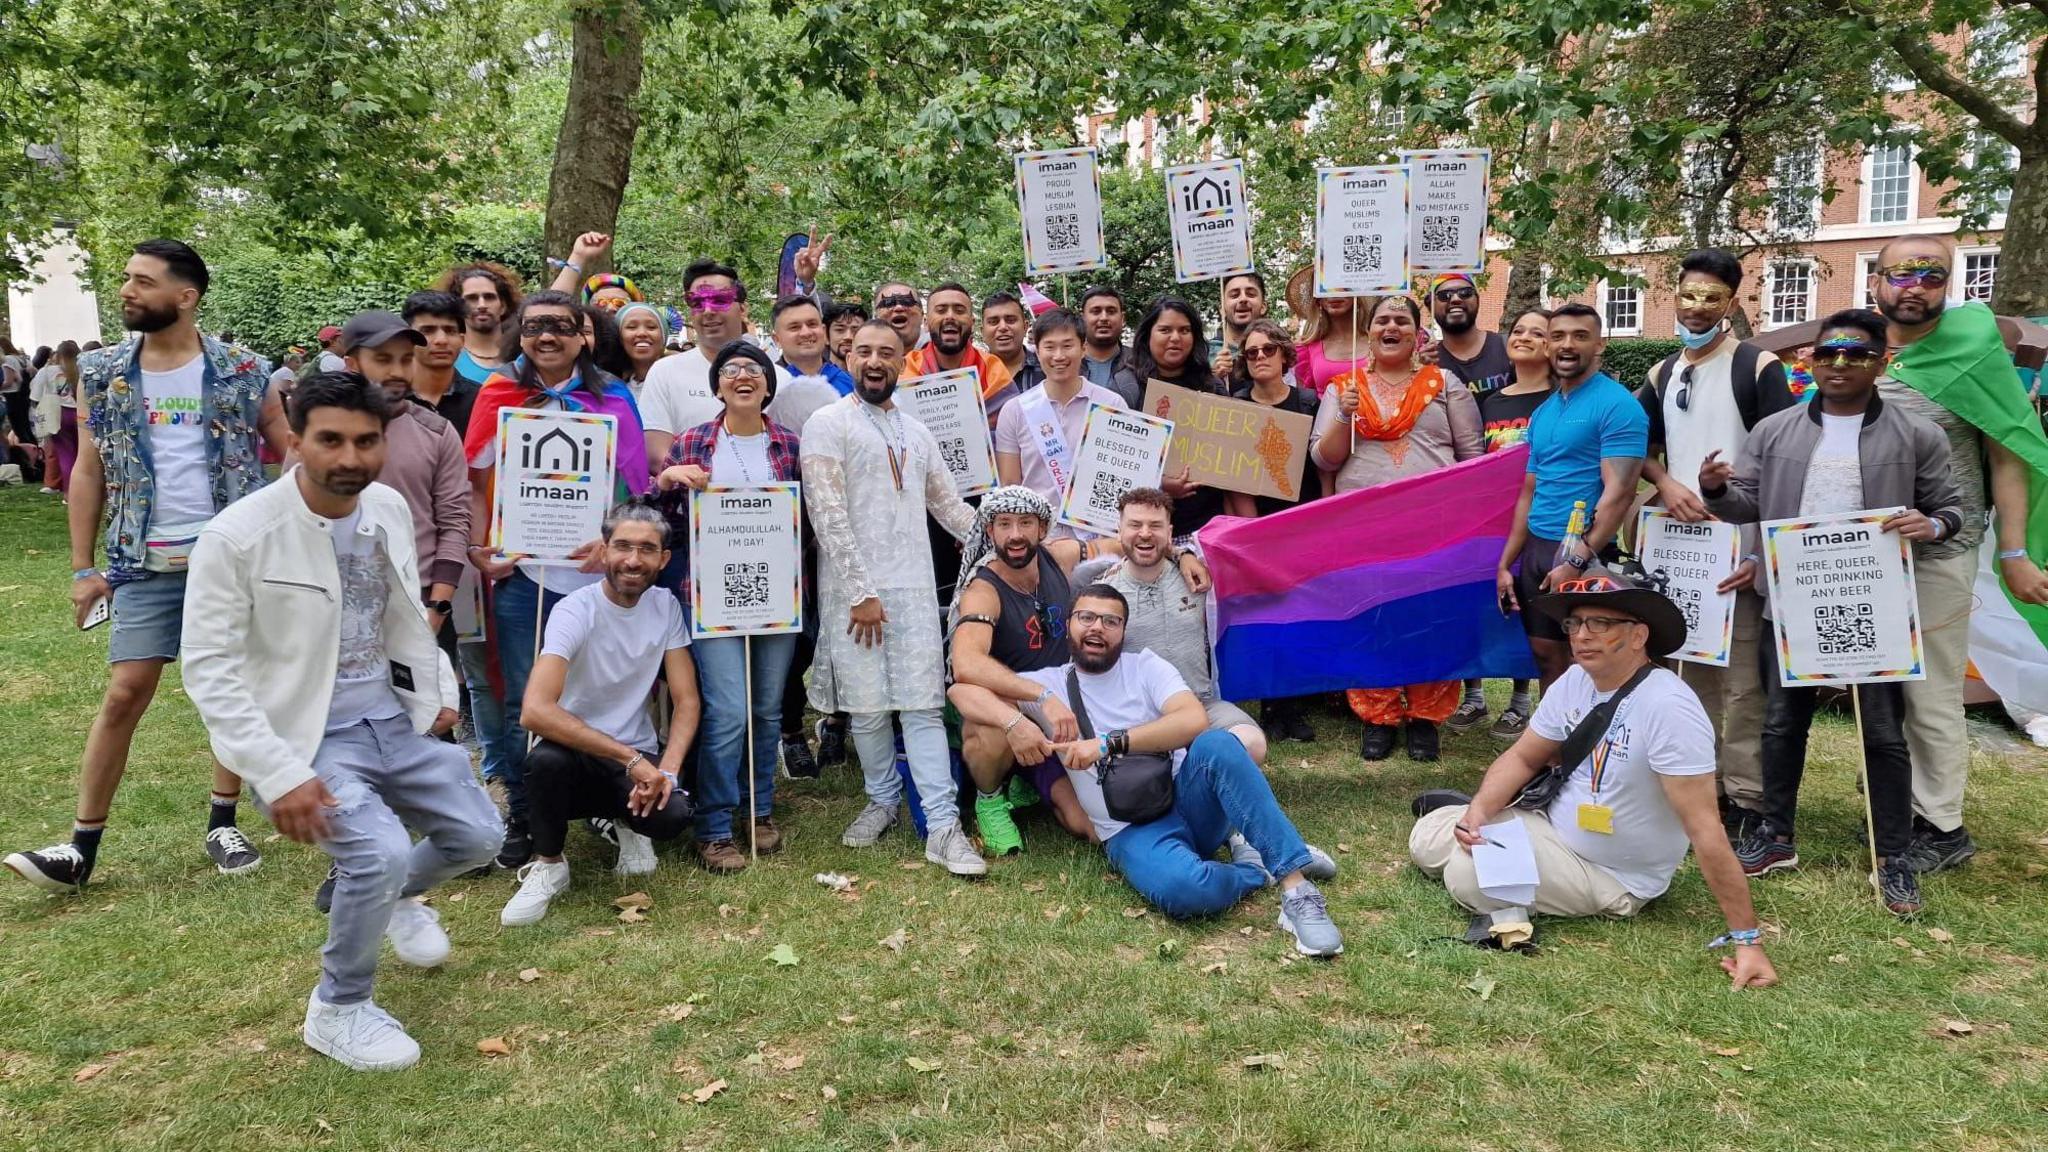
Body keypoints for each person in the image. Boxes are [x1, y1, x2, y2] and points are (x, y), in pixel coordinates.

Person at [182, 371, 501, 1070]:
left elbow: (403, 612)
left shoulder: (384, 505)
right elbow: (209, 669)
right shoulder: (237, 537)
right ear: (294, 442)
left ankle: (384, 899)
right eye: (330, 440)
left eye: (366, 441)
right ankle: (339, 1008)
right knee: (379, 852)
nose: (349, 457)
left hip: (389, 717)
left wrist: (436, 686)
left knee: (480, 836)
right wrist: (278, 773)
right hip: (303, 737)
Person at [5, 240, 289, 892]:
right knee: (124, 694)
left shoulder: (244, 369)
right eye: (127, 278)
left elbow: (289, 451)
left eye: (142, 281)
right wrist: (83, 567)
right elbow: (91, 472)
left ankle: (223, 820)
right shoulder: (103, 372)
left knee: (230, 692)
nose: (127, 290)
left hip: (230, 562)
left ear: (185, 296)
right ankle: (80, 849)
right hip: (142, 562)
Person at [1700, 308, 1962, 916]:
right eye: (1828, 354)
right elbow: (1747, 507)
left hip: (1875, 603)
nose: (1840, 365)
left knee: (1881, 732)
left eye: (1856, 355)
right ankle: (1775, 837)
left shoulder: (1917, 433)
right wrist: (1716, 488)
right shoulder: (1775, 431)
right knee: (1781, 724)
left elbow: (1951, 510)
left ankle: (1893, 854)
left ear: (1882, 362)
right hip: (1791, 599)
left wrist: (1931, 523)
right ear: (1810, 362)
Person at [1406, 574, 1778, 988]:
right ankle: (1472, 819)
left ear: (1638, 636)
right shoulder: (1574, 680)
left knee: (1465, 874)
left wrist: (1748, 940)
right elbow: (1524, 755)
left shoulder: (1669, 708)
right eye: (1575, 624)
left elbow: (1706, 829)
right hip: (1553, 830)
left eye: (1599, 624)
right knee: (1427, 839)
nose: (1582, 636)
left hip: (1614, 875)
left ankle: (1493, 855)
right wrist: (1476, 813)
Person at [948, 585, 1344, 955]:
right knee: (1185, 891)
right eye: (1086, 617)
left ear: (1123, 630)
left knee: (1219, 744)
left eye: (1110, 621)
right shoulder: (1046, 685)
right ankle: (1259, 864)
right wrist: (1023, 714)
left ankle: (1296, 890)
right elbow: (960, 690)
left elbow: (1191, 720)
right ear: (1068, 624)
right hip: (1128, 829)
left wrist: (1105, 744)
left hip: (1185, 798)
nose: (1097, 629)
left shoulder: (1146, 667)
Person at [1871, 235, 2048, 874]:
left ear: (1949, 283)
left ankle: (1942, 825)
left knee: (1933, 691)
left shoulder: (1974, 353)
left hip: (1944, 551)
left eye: (1931, 274)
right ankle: (1900, 806)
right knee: (1881, 688)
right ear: (1876, 283)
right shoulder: (1860, 352)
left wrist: (2015, 552)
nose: (1913, 286)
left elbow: (2009, 454)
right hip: (1864, 557)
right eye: (1900, 274)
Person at [460, 290, 650, 868]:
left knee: (595, 698)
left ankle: (605, 804)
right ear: (520, 333)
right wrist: (478, 545)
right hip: (522, 576)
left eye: (561, 327)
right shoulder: (499, 394)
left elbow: (635, 484)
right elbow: (473, 479)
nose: (547, 337)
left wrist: (611, 542)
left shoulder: (613, 396)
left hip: (594, 579)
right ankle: (525, 813)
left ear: (583, 336)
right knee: (525, 696)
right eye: (536, 325)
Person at [800, 319, 988, 876]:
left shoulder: (917, 430)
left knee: (923, 704)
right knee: (868, 706)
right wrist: (860, 592)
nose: (875, 361)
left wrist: (999, 537)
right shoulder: (826, 423)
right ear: (848, 357)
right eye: (864, 352)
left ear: (904, 360)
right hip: (854, 592)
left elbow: (948, 505)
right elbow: (826, 513)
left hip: (911, 587)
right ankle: (882, 800)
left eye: (887, 352)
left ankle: (943, 826)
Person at [947, 485, 1211, 853]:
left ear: (1043, 529)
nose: (1016, 534)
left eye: (1026, 523)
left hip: (1070, 709)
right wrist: (1034, 703)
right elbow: (965, 665)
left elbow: (1130, 541)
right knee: (988, 727)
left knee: (1089, 827)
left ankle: (1025, 778)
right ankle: (990, 798)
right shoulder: (983, 591)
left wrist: (1181, 555)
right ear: (989, 532)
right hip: (1019, 704)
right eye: (1004, 524)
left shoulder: (1060, 556)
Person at [1633, 249, 1797, 837]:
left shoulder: (1756, 368)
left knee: (1743, 685)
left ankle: (1749, 801)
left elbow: (1785, 458)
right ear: (1673, 296)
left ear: (1731, 303)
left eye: (1711, 298)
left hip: (1738, 545)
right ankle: (1701, 789)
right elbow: (1638, 449)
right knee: (1687, 671)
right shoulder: (1661, 373)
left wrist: (1761, 553)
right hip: (1679, 549)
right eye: (1687, 295)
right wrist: (1667, 482)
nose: (1696, 308)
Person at [501, 503, 701, 924]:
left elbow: (686, 701)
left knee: (674, 817)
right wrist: (628, 759)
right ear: (604, 550)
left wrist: (665, 772)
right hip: (575, 752)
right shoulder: (575, 609)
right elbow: (534, 710)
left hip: (636, 756)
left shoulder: (664, 607)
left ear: (664, 559)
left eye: (647, 549)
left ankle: (625, 825)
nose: (633, 560)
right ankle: (550, 864)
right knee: (543, 763)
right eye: (622, 546)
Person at [1311, 294, 1485, 762]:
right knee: (1373, 618)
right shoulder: (1342, 388)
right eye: (1382, 320)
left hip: (1435, 525)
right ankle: (1378, 715)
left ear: (1416, 333)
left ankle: (1427, 716)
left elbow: (1472, 458)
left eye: (1401, 321)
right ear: (1369, 331)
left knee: (1431, 616)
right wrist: (1346, 413)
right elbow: (1323, 459)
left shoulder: (1445, 384)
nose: (1391, 327)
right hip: (1363, 526)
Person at [654, 341, 804, 872]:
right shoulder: (693, 441)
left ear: (768, 385)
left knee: (765, 709)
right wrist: (668, 479)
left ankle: (759, 810)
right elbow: (660, 518)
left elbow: (807, 519)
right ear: (717, 385)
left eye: (755, 369)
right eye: (732, 370)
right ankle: (715, 825)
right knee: (725, 713)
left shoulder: (788, 443)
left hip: (778, 596)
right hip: (710, 597)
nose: (744, 376)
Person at [1496, 303, 1649, 688]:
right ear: (1547, 345)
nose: (1567, 345)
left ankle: (1588, 746)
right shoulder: (1545, 411)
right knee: (1546, 656)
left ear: (1599, 345)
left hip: (1585, 551)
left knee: (1588, 661)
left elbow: (1620, 492)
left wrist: (1578, 559)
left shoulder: (1618, 405)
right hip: (1538, 548)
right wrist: (1506, 563)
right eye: (1558, 336)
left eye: (1580, 337)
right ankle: (1552, 748)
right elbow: (1529, 491)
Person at [1452, 307, 1554, 742]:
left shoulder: (1558, 400)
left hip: (1537, 520)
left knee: (1525, 608)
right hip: (1488, 521)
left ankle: (1519, 702)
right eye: (1518, 330)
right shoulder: (1492, 401)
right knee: (1482, 607)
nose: (1525, 337)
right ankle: (1473, 696)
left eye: (1537, 332)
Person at [1219, 319, 1322, 744]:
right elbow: (1231, 475)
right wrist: (1253, 531)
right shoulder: (1236, 405)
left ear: (1284, 354)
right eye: (1251, 352)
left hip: (1303, 525)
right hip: (1256, 527)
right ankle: (1269, 705)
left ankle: (1294, 706)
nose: (1259, 357)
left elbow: (1324, 466)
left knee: (1298, 616)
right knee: (1262, 617)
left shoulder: (1310, 404)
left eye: (1267, 350)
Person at [1098, 487, 1257, 750]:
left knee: (1251, 743)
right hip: (1137, 714)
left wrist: (1183, 554)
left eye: (1155, 525)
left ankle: (1194, 766)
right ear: (1120, 530)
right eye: (1135, 524)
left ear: (1170, 533)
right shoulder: (1103, 590)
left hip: (1199, 703)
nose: (1145, 533)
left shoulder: (1200, 577)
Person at [339, 313, 469, 633]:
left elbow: (454, 521)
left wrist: (438, 606)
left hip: (418, 601)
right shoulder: (320, 430)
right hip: (335, 597)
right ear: (352, 363)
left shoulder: (437, 432)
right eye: (383, 359)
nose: (397, 372)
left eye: (406, 359)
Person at [994, 308, 1127, 533]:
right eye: (1049, 347)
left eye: (1067, 346)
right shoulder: (1015, 410)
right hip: (1037, 537)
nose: (1058, 356)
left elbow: (1124, 476)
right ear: (1036, 350)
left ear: (1083, 348)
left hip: (1097, 537)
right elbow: (1010, 486)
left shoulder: (1111, 405)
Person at [1117, 297, 1225, 534]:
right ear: (1148, 335)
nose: (1175, 338)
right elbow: (1116, 462)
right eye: (1165, 330)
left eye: (1184, 330)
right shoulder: (1125, 389)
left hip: (1207, 524)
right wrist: (1159, 484)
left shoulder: (1213, 387)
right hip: (1147, 529)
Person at [642, 259, 749, 468]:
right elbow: (656, 456)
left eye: (719, 300)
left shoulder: (775, 376)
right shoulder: (665, 372)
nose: (708, 311)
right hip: (690, 495)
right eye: (697, 303)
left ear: (743, 309)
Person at [905, 281, 1015, 420]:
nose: (950, 316)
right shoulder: (908, 367)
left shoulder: (992, 368)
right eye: (941, 310)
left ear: (972, 323)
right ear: (926, 323)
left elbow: (1010, 427)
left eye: (959, 311)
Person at [765, 293, 854, 435]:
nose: (806, 332)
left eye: (812, 324)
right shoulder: (767, 387)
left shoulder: (852, 385)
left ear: (824, 332)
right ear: (776, 339)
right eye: (794, 327)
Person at [402, 291, 482, 445]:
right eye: (427, 331)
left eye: (450, 331)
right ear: (407, 339)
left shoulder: (481, 400)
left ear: (462, 340)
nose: (441, 340)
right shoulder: (388, 398)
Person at [432, 261, 524, 387]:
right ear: (457, 307)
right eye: (472, 298)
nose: (482, 305)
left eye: (489, 297)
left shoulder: (523, 353)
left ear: (503, 306)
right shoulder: (446, 354)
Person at [1427, 273, 1512, 396]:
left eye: (1465, 293)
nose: (1456, 299)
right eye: (1444, 296)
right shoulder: (1428, 361)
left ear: (1477, 300)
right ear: (1431, 307)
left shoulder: (1508, 347)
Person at [30, 340, 81, 495]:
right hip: (81, 413)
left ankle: (70, 492)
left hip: (58, 414)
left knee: (66, 454)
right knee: (83, 454)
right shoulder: (82, 369)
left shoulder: (46, 372)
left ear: (57, 354)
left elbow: (35, 396)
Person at [1294, 295, 1364, 397]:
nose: (1334, 294)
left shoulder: (1378, 341)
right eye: (1326, 288)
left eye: (1342, 285)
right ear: (1318, 300)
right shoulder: (1306, 348)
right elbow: (1304, 400)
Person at [1209, 271, 1271, 383]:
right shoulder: (1203, 354)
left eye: (1251, 294)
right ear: (1222, 309)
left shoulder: (1276, 352)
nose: (1243, 299)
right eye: (1234, 295)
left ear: (1263, 307)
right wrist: (1212, 379)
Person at [981, 289, 1042, 401]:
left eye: (1011, 320)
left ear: (1025, 327)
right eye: (994, 322)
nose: (1003, 327)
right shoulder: (971, 378)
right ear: (982, 332)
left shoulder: (1048, 369)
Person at [1079, 285, 1132, 390]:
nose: (1104, 318)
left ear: (1123, 319)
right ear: (1082, 318)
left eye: (1111, 311)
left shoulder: (1141, 363)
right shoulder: (1066, 363)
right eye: (1096, 311)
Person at [616, 302, 672, 395]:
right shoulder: (610, 389)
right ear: (619, 338)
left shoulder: (684, 381)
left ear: (663, 337)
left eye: (651, 327)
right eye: (631, 327)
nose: (642, 333)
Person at [873, 280, 927, 352]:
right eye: (889, 303)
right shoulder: (862, 359)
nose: (899, 308)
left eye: (907, 302)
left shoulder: (944, 356)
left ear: (922, 315)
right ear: (876, 318)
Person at [825, 301, 868, 368]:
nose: (848, 337)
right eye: (840, 330)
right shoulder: (814, 377)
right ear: (826, 336)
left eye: (856, 331)